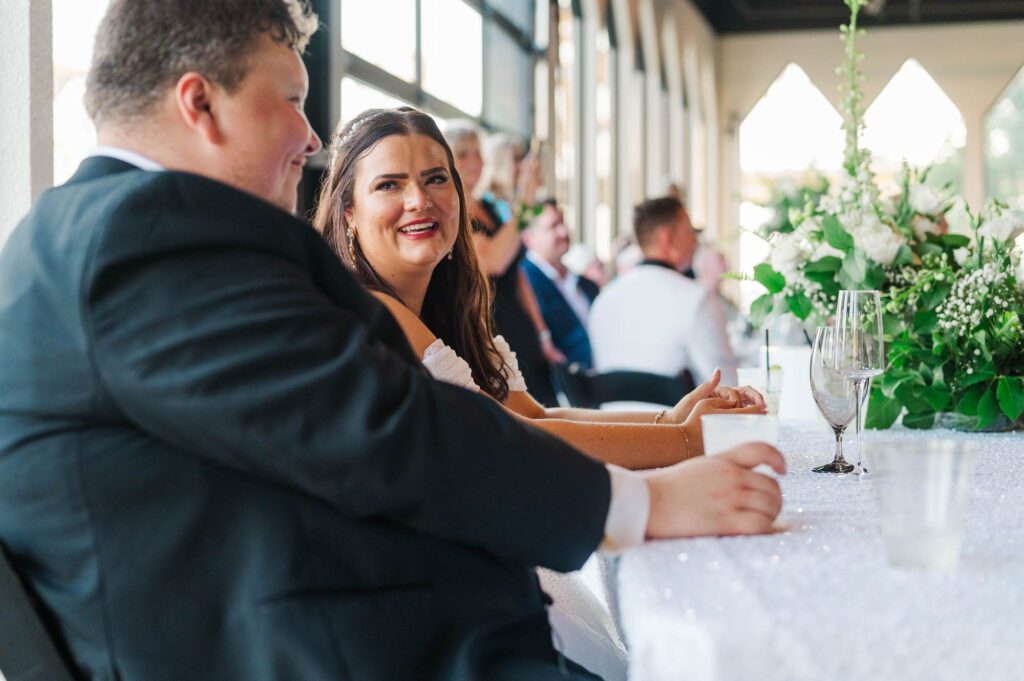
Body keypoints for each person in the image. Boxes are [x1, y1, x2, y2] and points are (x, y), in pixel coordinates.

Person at [0, 5, 785, 681]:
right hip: (370, 648)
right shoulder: (144, 232)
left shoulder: (82, 232)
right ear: (200, 104)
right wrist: (648, 501)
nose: (310, 137)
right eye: (293, 98)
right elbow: (377, 425)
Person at [312, 106, 773, 679]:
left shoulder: (447, 305)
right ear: (348, 211)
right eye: (390, 184)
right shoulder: (368, 308)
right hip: (433, 617)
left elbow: (534, 411)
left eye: (436, 179)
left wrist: (667, 423)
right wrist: (681, 442)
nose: (419, 200)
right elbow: (513, 440)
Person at [443, 122, 561, 405]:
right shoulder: (452, 213)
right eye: (463, 154)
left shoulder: (489, 205)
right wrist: (526, 195)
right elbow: (494, 260)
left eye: (477, 154)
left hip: (519, 323)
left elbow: (515, 271)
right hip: (490, 324)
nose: (474, 162)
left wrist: (542, 330)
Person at [589, 197, 740, 386]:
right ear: (668, 239)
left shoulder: (603, 301)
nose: (695, 240)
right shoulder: (697, 300)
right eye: (689, 232)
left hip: (610, 415)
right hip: (674, 415)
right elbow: (727, 385)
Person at [521, 200, 599, 368]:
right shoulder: (525, 285)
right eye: (553, 226)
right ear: (528, 238)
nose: (563, 232)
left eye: (563, 223)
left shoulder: (586, 284)